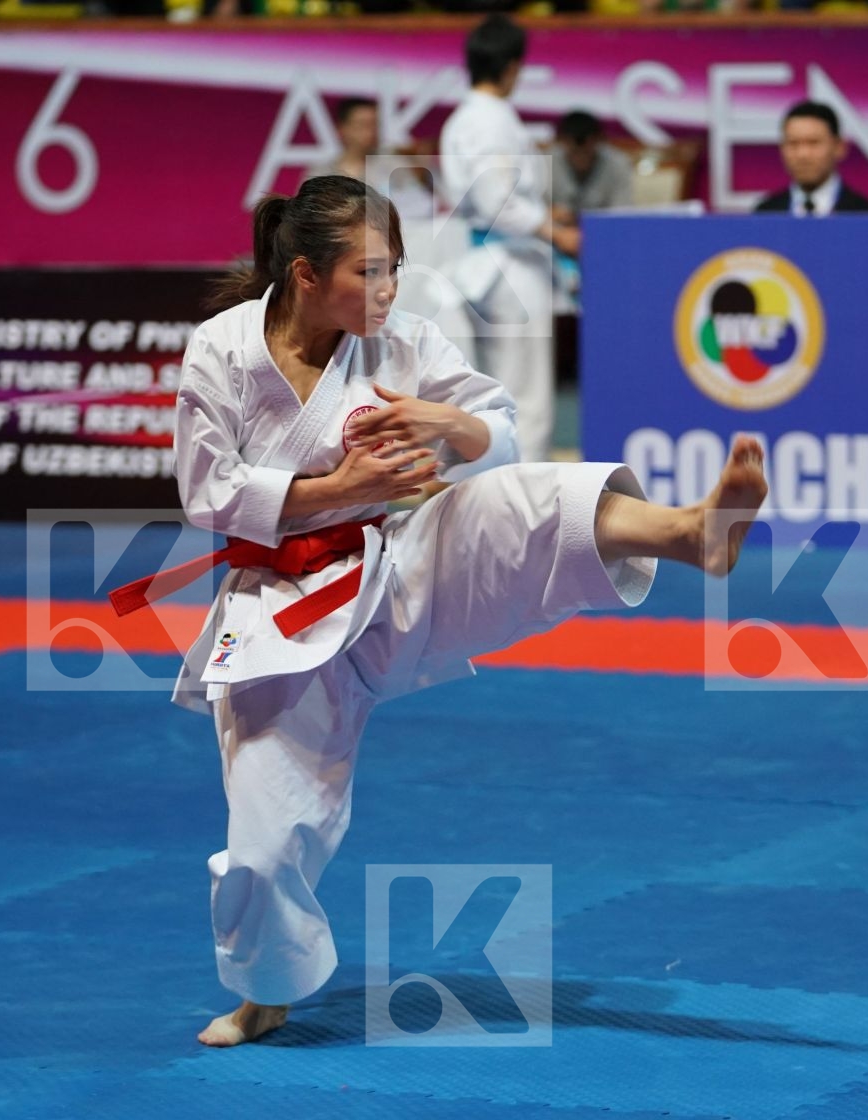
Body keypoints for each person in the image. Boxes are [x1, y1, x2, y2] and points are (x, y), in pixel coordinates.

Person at [147, 174, 769, 1047]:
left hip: (398, 568)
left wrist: (449, 422)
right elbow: (206, 496)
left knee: (523, 500)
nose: (390, 290)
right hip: (278, 614)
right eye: (369, 273)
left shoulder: (402, 340)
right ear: (304, 275)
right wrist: (339, 484)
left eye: (396, 268)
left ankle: (688, 532)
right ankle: (268, 988)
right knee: (261, 848)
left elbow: (500, 435)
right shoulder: (221, 351)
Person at [438, 14, 576, 464]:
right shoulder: (492, 119)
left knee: (498, 388)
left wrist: (543, 213)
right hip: (509, 264)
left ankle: (505, 496)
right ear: (512, 67)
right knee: (526, 394)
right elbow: (498, 200)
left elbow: (493, 195)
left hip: (486, 261)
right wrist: (557, 232)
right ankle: (527, 501)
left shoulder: (464, 118)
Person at [753, 101, 868, 216]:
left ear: (839, 147)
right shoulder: (765, 214)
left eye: (813, 143)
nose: (803, 154)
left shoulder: (867, 215)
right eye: (793, 143)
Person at [552, 110, 636, 220]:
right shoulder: (546, 164)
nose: (581, 158)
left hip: (604, 230)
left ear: (599, 141)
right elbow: (534, 209)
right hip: (554, 232)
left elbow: (622, 212)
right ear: (562, 142)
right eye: (574, 152)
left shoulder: (618, 165)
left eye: (586, 152)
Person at [308, 98, 380, 184]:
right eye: (362, 125)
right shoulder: (321, 173)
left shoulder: (389, 168)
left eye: (374, 125)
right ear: (342, 128)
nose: (370, 132)